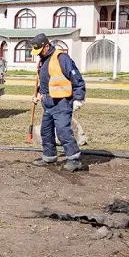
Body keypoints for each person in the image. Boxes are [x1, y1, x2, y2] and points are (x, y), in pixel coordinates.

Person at [29, 33, 86, 172]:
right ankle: (49, 157)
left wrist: (79, 98)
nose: (37, 54)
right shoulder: (42, 60)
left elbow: (76, 78)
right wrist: (38, 94)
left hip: (62, 102)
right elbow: (46, 80)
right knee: (46, 131)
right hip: (48, 102)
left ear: (46, 46)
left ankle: (74, 159)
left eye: (39, 51)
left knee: (63, 131)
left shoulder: (61, 58)